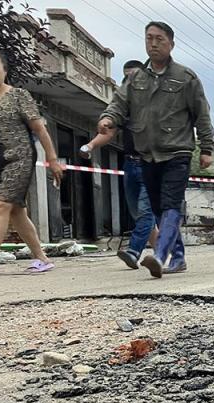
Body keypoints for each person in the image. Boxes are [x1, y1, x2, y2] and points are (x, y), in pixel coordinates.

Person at [98, 21, 214, 278]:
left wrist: (206, 147)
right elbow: (119, 105)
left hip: (177, 151)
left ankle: (160, 256)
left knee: (170, 203)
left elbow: (202, 114)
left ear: (171, 43)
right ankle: (179, 257)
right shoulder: (135, 79)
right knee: (159, 208)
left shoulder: (186, 78)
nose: (153, 43)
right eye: (149, 38)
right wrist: (108, 119)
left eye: (159, 39)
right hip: (146, 154)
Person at [0, 50, 63, 278]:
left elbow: (40, 129)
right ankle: (42, 259)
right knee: (16, 211)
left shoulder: (18, 96)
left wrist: (52, 159)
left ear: (4, 70)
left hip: (20, 157)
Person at [81, 60, 158, 271]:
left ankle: (133, 251)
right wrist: (90, 145)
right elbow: (108, 132)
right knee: (139, 214)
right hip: (131, 165)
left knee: (145, 212)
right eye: (126, 77)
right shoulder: (125, 109)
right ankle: (167, 254)